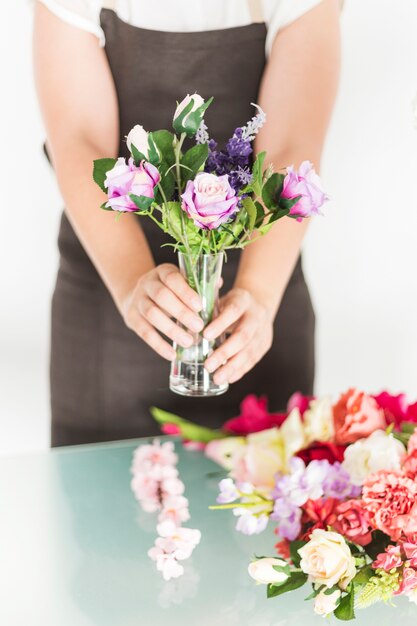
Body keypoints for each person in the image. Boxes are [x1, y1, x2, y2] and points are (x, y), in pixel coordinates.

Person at [33, 0, 340, 447]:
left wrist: (257, 296)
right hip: (109, 287)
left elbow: (291, 149)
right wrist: (133, 283)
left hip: (259, 289)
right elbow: (80, 140)